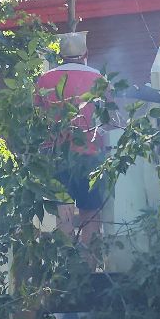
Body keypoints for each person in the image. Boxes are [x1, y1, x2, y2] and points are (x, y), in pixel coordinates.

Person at [33, 32, 107, 244]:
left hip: (57, 156)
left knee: (63, 215)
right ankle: (90, 273)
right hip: (90, 156)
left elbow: (38, 118)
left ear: (60, 55)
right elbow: (109, 118)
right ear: (85, 53)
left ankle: (65, 270)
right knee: (91, 215)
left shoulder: (45, 79)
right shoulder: (98, 79)